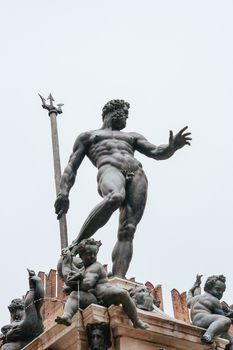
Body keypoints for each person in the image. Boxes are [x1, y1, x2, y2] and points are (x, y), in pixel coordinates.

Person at [55, 99, 191, 278]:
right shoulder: (88, 136)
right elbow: (71, 166)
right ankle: (77, 245)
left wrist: (172, 147)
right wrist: (64, 193)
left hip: (137, 173)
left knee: (128, 228)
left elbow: (157, 152)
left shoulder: (132, 136)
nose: (127, 117)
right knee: (115, 196)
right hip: (109, 169)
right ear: (112, 112)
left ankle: (119, 278)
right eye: (125, 113)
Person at [55, 239, 148, 329]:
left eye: (94, 254)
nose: (92, 256)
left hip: (106, 294)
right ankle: (67, 315)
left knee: (123, 294)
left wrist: (74, 281)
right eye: (89, 254)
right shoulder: (83, 270)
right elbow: (68, 278)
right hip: (94, 298)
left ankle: (136, 321)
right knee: (75, 295)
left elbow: (86, 284)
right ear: (81, 255)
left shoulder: (96, 266)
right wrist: (66, 260)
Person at [187, 274, 233, 348]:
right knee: (226, 320)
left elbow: (188, 299)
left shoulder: (195, 298)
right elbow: (222, 317)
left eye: (222, 291)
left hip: (198, 321)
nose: (220, 293)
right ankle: (208, 335)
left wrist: (194, 286)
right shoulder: (214, 300)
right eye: (218, 289)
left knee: (230, 340)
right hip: (203, 320)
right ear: (209, 287)